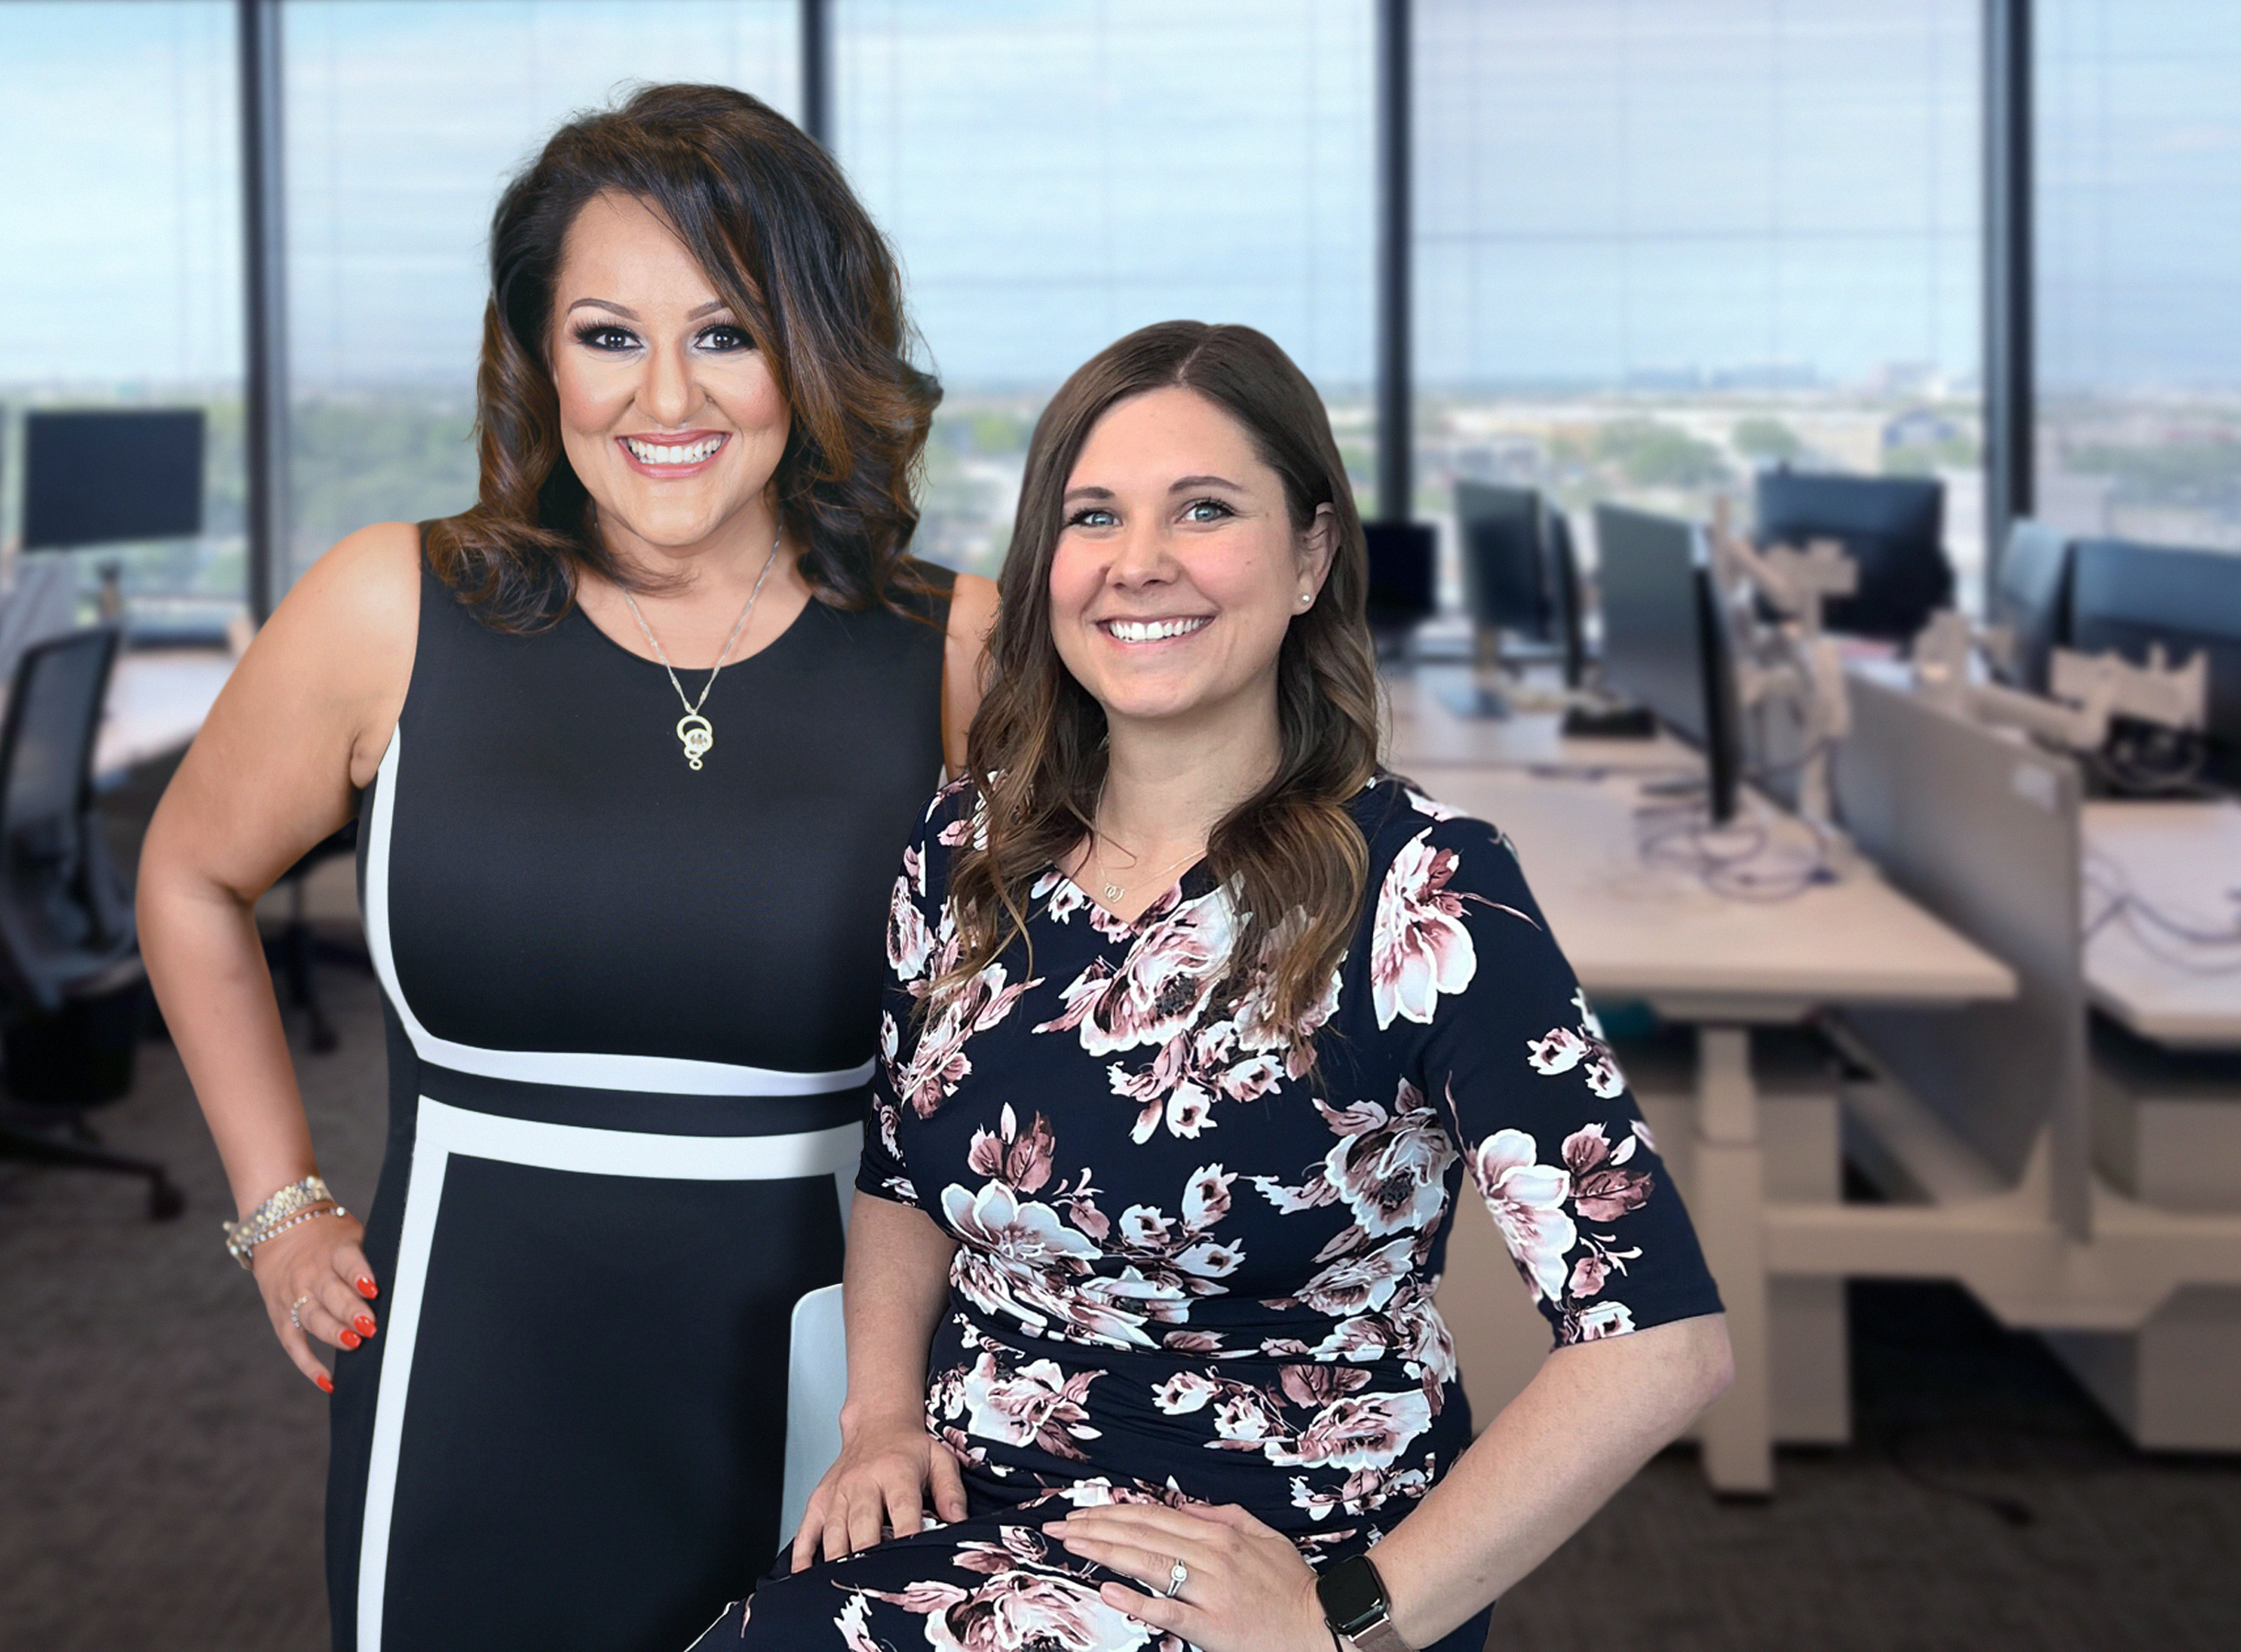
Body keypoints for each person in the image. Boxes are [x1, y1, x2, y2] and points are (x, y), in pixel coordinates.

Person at [695, 321, 1732, 1652]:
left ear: (1310, 556)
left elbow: (1658, 1344)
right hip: (974, 1500)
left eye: (1205, 510)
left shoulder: (1424, 893)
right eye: (1093, 516)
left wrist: (1349, 1617)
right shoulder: (965, 851)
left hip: (1276, 1560)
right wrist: (880, 1415)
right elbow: (903, 1172)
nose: (1140, 563)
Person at [135, 84, 996, 1651]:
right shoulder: (393, 604)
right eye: (608, 335)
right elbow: (189, 877)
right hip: (475, 1366)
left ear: (814, 348)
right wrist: (280, 1212)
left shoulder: (957, 647)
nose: (664, 396)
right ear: (541, 354)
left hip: (842, 1390)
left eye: (726, 333)